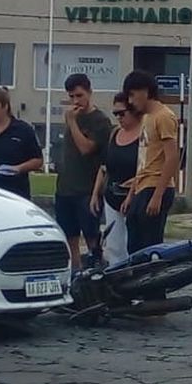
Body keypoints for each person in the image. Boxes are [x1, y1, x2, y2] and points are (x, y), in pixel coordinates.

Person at [54, 73, 115, 269]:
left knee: (91, 234)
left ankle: (96, 266)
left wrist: (72, 122)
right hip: (65, 187)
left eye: (79, 95)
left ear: (89, 92)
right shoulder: (72, 116)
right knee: (69, 233)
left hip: (87, 188)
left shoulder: (99, 121)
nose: (75, 101)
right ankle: (75, 268)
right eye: (71, 96)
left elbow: (86, 148)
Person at [120, 70, 179, 254]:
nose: (130, 101)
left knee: (150, 245)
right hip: (142, 186)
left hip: (156, 186)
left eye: (132, 94)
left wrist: (158, 195)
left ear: (145, 91)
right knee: (134, 245)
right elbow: (143, 160)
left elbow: (172, 156)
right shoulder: (146, 118)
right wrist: (131, 193)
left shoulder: (164, 116)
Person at [90, 92, 141, 267]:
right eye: (115, 114)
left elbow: (146, 168)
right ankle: (117, 277)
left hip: (134, 196)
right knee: (113, 245)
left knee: (133, 242)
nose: (119, 118)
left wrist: (132, 193)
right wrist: (96, 193)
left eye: (122, 113)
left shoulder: (144, 136)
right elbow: (104, 167)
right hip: (112, 195)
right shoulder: (114, 134)